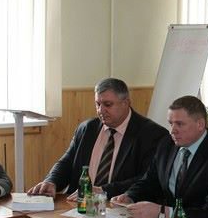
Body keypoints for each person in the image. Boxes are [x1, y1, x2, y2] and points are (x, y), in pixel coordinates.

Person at [111, 96, 208, 218]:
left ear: (200, 124)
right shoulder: (166, 144)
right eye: (170, 123)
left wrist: (164, 213)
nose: (172, 130)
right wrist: (130, 196)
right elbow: (149, 181)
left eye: (179, 124)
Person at [28, 78, 168, 199]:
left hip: (120, 206)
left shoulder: (152, 135)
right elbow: (67, 162)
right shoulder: (87, 128)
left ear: (125, 103)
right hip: (78, 204)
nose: (101, 110)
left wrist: (103, 191)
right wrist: (52, 181)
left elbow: (147, 179)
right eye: (97, 104)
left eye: (108, 105)